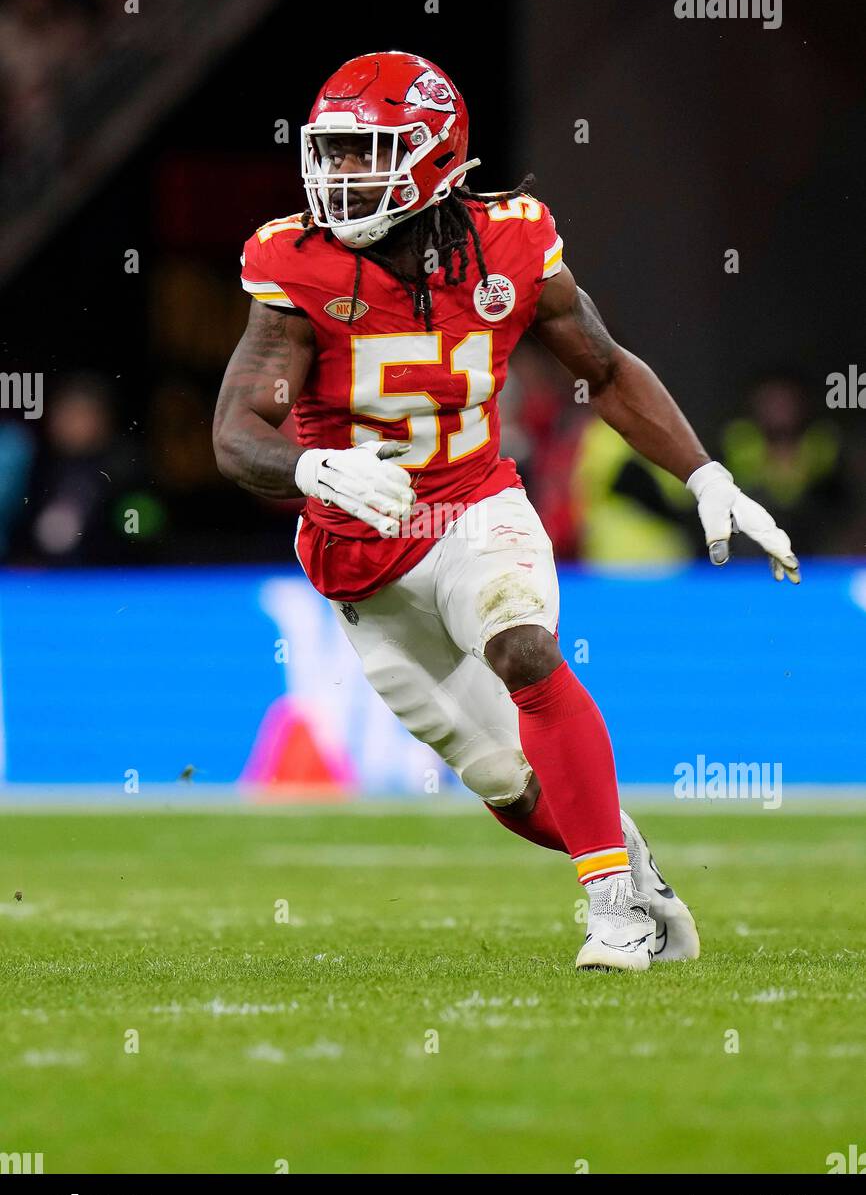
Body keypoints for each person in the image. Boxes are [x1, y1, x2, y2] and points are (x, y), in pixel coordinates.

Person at [214, 51, 799, 971]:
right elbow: (236, 431)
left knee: (523, 648)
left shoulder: (510, 244)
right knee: (507, 781)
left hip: (475, 507)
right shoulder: (295, 262)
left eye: (368, 152)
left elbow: (603, 369)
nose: (341, 176)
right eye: (332, 153)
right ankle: (636, 870)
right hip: (360, 554)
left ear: (435, 155)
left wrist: (705, 476)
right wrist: (320, 471)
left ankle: (611, 914)